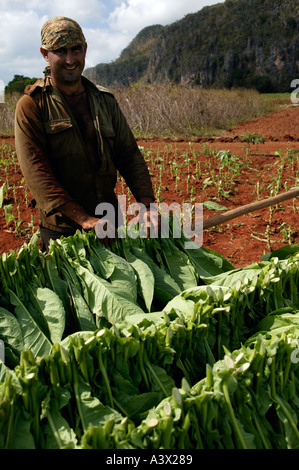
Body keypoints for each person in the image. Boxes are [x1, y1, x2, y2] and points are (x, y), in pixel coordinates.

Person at [15, 16, 158, 251]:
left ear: (85, 49)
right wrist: (84, 219)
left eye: (76, 50)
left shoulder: (105, 100)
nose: (70, 59)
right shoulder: (32, 105)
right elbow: (36, 172)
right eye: (61, 51)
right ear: (45, 54)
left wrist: (147, 206)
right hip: (63, 230)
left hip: (109, 221)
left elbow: (129, 155)